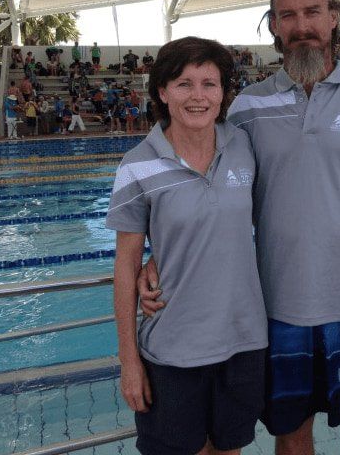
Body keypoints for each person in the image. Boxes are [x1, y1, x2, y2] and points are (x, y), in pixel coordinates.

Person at [140, 0, 340, 455]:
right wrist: (160, 255)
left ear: (333, 17)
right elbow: (216, 194)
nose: (301, 25)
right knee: (290, 434)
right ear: (273, 26)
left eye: (312, 11)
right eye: (287, 15)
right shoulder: (246, 108)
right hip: (277, 309)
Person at [107, 37, 267, 455]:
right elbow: (124, 266)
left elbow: (236, 221)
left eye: (209, 84)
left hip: (243, 340)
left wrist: (161, 256)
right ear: (162, 91)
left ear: (223, 93)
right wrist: (129, 361)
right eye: (184, 83)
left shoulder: (243, 146)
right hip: (173, 348)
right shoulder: (136, 164)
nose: (198, 96)